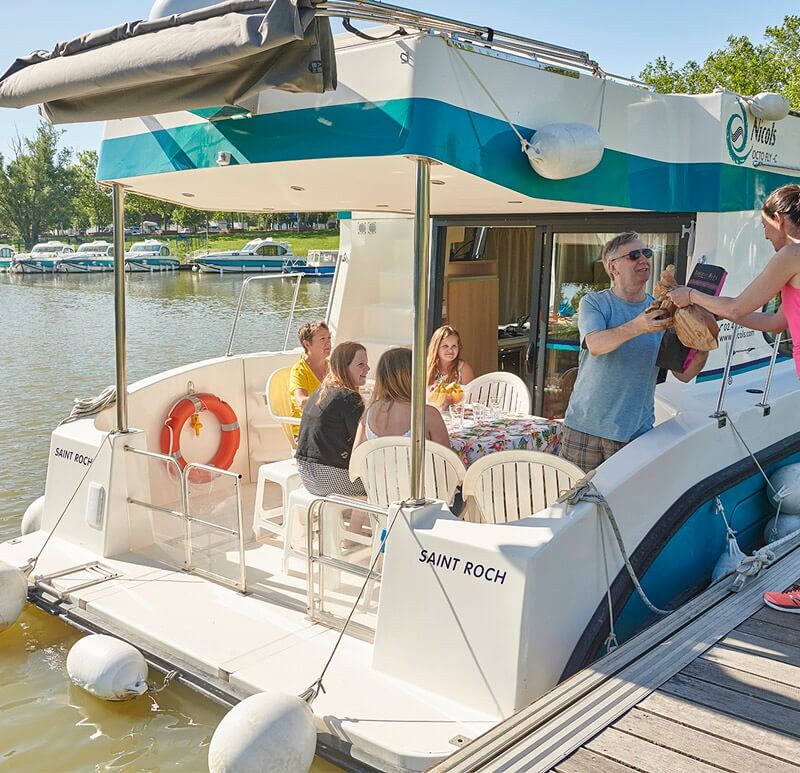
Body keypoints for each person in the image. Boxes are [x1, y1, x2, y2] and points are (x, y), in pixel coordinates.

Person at [560, 232, 708, 472]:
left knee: (628, 508)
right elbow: (596, 345)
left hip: (635, 434)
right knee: (576, 505)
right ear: (613, 267)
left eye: (647, 253)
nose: (644, 259)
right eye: (633, 255)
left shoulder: (663, 310)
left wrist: (704, 345)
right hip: (585, 429)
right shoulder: (595, 303)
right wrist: (639, 326)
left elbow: (684, 374)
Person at [668, 184, 800, 376]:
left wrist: (690, 295)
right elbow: (776, 323)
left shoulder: (791, 254)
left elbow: (736, 308)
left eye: (765, 226)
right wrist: (721, 311)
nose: (765, 235)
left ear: (779, 220)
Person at [295, 341, 370, 498]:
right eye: (361, 364)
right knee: (382, 482)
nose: (367, 369)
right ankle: (361, 523)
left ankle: (350, 519)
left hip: (305, 474)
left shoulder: (320, 392)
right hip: (327, 478)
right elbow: (363, 444)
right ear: (344, 367)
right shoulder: (349, 398)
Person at [355, 347, 450, 449]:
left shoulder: (370, 414)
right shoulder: (428, 414)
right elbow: (447, 460)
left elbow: (356, 459)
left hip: (379, 465)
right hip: (417, 465)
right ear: (415, 376)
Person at [288, 320, 331, 436]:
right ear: (307, 344)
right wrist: (331, 400)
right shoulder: (299, 370)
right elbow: (302, 402)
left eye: (329, 338)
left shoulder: (333, 367)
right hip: (306, 432)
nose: (328, 343)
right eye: (322, 339)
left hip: (329, 426)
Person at [426, 325, 475, 390]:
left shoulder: (463, 369)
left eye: (454, 346)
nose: (450, 350)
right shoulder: (426, 368)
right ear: (436, 348)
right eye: (445, 346)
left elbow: (471, 395)